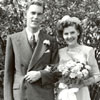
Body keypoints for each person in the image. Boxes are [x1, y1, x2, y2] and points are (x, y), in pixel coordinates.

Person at [4, 0, 59, 100]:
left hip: (43, 95)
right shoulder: (13, 39)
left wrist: (40, 74)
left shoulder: (51, 41)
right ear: (26, 14)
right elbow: (8, 73)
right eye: (33, 13)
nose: (35, 17)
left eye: (39, 14)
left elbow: (57, 71)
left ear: (43, 17)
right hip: (21, 94)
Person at [56, 15, 100, 100]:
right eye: (66, 34)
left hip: (81, 93)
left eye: (72, 32)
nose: (69, 36)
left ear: (78, 32)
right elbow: (55, 75)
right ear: (62, 35)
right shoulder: (59, 52)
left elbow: (97, 75)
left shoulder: (87, 50)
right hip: (63, 93)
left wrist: (82, 83)